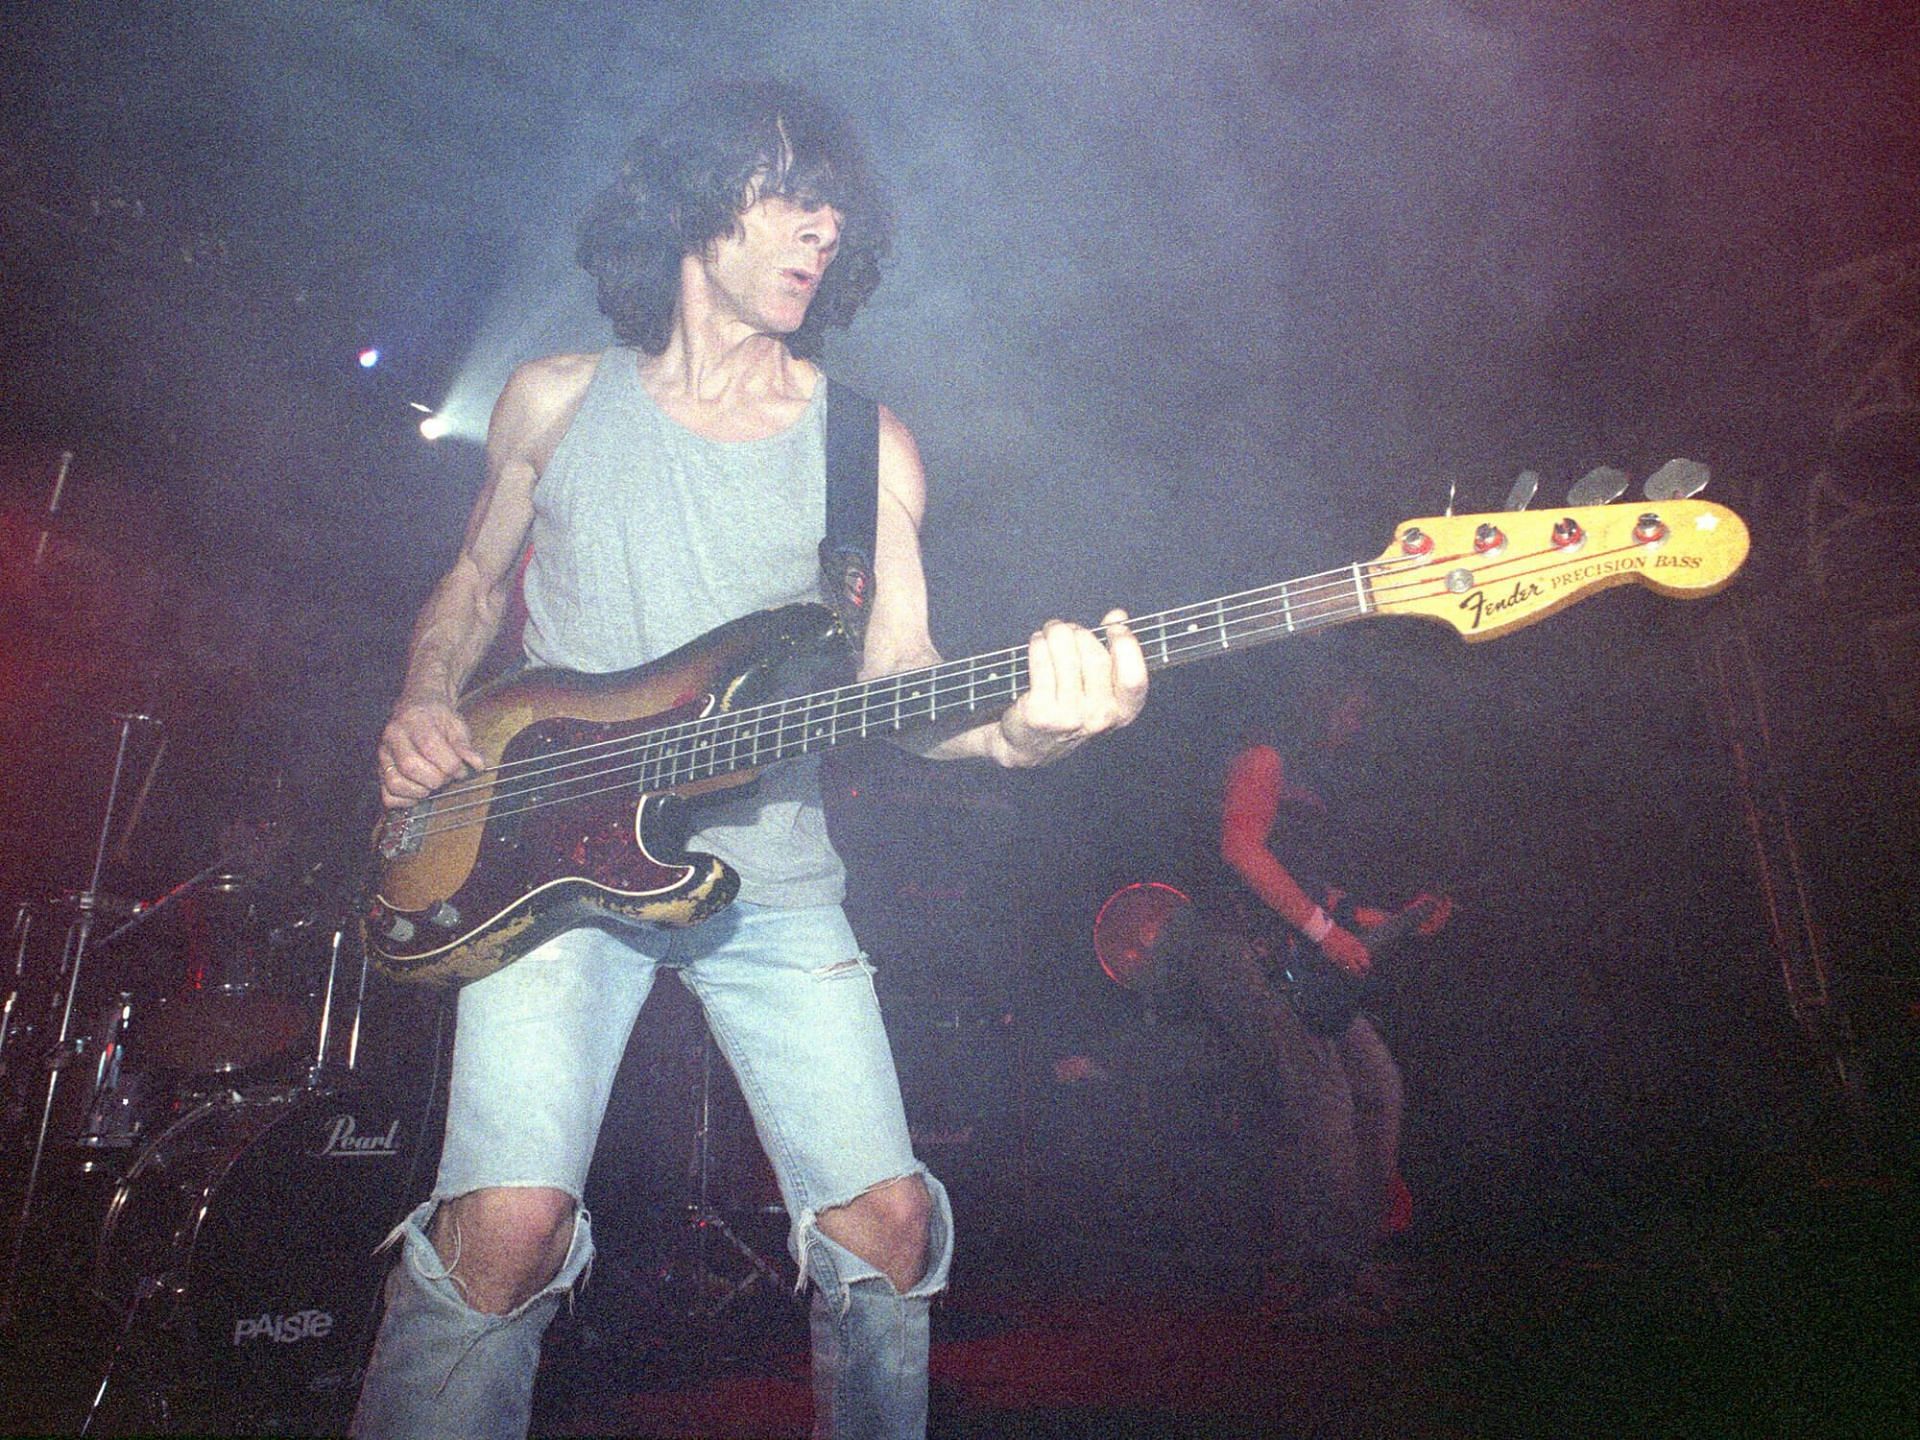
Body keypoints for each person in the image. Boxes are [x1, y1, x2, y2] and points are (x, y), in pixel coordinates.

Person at [353, 78, 1148, 1440]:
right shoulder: (554, 399)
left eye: (838, 209)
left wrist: (1018, 732)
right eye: (789, 193)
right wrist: (428, 695)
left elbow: (898, 681)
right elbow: (476, 583)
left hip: (770, 878)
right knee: (509, 1229)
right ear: (687, 206)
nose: (822, 228)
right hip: (538, 864)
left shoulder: (865, 446)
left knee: (888, 1227)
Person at [1189, 678, 1449, 1327]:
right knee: (1324, 1101)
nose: (1355, 724)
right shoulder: (1263, 757)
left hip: (1298, 959)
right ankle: (1317, 1275)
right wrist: (1325, 933)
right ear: (1314, 698)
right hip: (1242, 952)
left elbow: (1316, 896)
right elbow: (1240, 849)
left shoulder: (1317, 788)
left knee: (1378, 1088)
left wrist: (1391, 920)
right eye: (1350, 708)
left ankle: (1352, 1259)